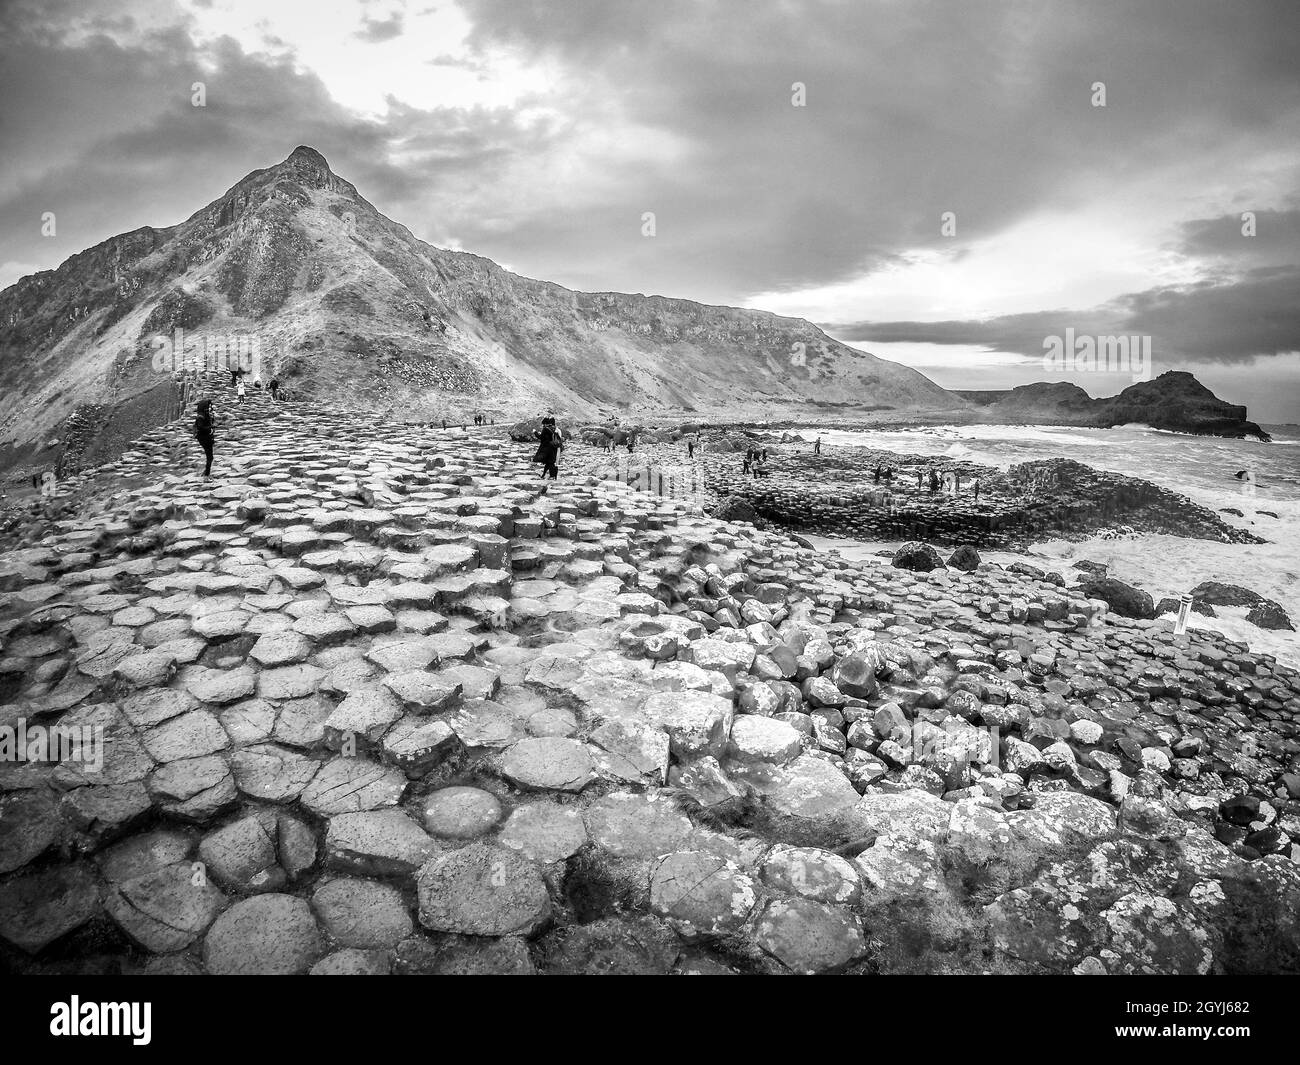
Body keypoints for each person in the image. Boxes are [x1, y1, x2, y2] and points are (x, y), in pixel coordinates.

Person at [533, 416, 563, 482]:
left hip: (547, 448)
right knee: (551, 462)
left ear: (545, 423)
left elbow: (540, 437)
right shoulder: (556, 429)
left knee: (550, 462)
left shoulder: (545, 429)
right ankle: (547, 475)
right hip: (555, 447)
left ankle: (552, 476)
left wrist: (535, 432)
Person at [193, 398, 216, 478]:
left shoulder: (204, 414)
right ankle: (206, 475)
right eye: (208, 406)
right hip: (204, 438)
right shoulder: (201, 417)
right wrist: (210, 427)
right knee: (210, 456)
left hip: (206, 437)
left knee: (210, 456)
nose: (210, 408)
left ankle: (206, 472)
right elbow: (200, 427)